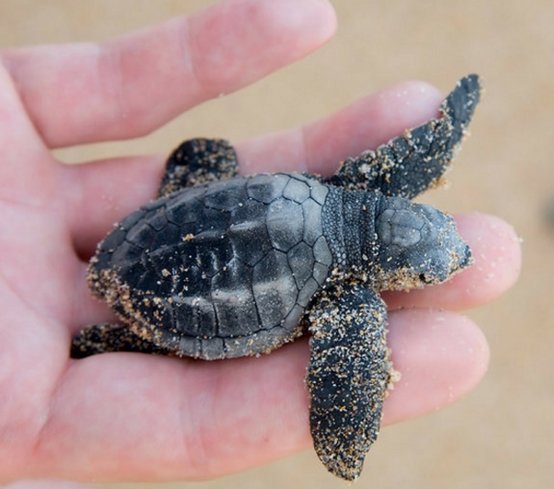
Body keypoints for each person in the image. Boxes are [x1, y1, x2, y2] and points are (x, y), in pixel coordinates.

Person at [0, 0, 520, 485]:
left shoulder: (353, 189)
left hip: (148, 235)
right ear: (395, 274)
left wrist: (447, 131)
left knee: (209, 160)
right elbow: (348, 386)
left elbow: (410, 164)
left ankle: (136, 296)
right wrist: (345, 439)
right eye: (428, 275)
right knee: (322, 373)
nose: (459, 260)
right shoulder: (352, 307)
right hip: (165, 296)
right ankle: (117, 338)